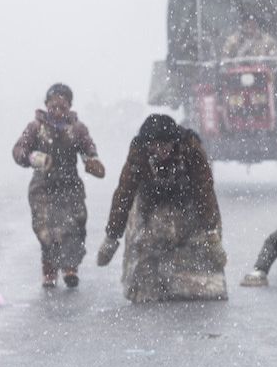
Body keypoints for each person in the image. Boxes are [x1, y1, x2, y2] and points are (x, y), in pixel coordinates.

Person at [97, 114, 227, 302]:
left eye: (165, 145)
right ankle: (150, 286)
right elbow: (124, 194)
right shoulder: (139, 153)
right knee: (145, 257)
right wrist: (112, 237)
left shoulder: (191, 149)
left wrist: (211, 234)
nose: (160, 151)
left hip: (189, 203)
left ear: (174, 142)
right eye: (155, 146)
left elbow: (205, 192)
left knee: (200, 255)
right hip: (151, 205)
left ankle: (196, 285)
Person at [12, 83, 105, 288]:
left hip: (70, 185)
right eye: (53, 106)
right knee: (46, 229)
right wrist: (31, 157)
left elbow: (88, 149)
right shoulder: (36, 128)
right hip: (42, 187)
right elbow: (19, 149)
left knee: (75, 225)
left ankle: (70, 268)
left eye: (62, 107)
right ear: (46, 105)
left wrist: (92, 160)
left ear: (69, 107)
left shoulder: (77, 129)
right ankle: (50, 268)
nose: (57, 111)